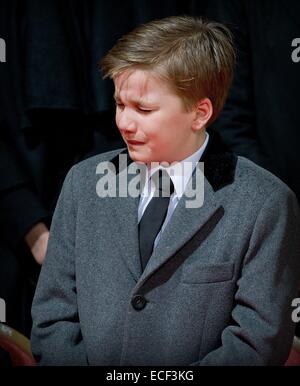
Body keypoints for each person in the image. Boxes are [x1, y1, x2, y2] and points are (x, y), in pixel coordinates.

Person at [30, 16, 300, 366]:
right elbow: (52, 316)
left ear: (199, 113)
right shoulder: (83, 184)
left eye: (144, 109)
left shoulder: (265, 203)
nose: (125, 123)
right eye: (119, 104)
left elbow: (257, 342)